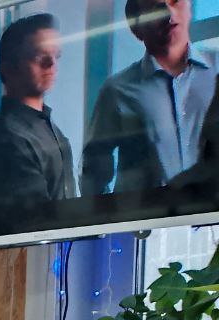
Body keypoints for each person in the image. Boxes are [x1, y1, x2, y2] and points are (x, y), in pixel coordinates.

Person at [83, 0, 217, 196]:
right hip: (146, 213)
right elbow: (93, 171)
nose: (169, 13)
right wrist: (110, 213)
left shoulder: (216, 75)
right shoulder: (117, 90)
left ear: (189, 7)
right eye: (156, 8)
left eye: (176, 1)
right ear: (137, 29)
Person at [0, 14, 76, 206]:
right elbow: (36, 220)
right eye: (39, 56)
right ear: (9, 68)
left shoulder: (42, 122)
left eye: (56, 55)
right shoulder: (8, 140)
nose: (52, 64)